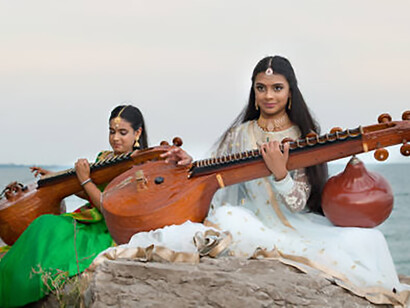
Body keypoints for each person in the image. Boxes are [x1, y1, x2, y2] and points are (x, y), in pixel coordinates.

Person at [109, 57, 409, 305]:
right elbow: (212, 172)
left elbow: (298, 202)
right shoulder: (240, 134)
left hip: (294, 223)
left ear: (290, 92)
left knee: (367, 239)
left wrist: (280, 174)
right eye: (261, 88)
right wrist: (190, 162)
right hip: (248, 219)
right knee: (228, 215)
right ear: (253, 92)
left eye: (277, 88)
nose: (269, 95)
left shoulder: (302, 137)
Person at [0, 104, 148, 307]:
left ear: (137, 133)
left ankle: (20, 290)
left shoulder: (138, 166)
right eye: (112, 132)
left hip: (107, 227)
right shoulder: (105, 157)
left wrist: (85, 180)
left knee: (47, 228)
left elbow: (108, 207)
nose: (115, 138)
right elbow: (89, 193)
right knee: (42, 225)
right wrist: (54, 178)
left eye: (123, 133)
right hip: (89, 216)